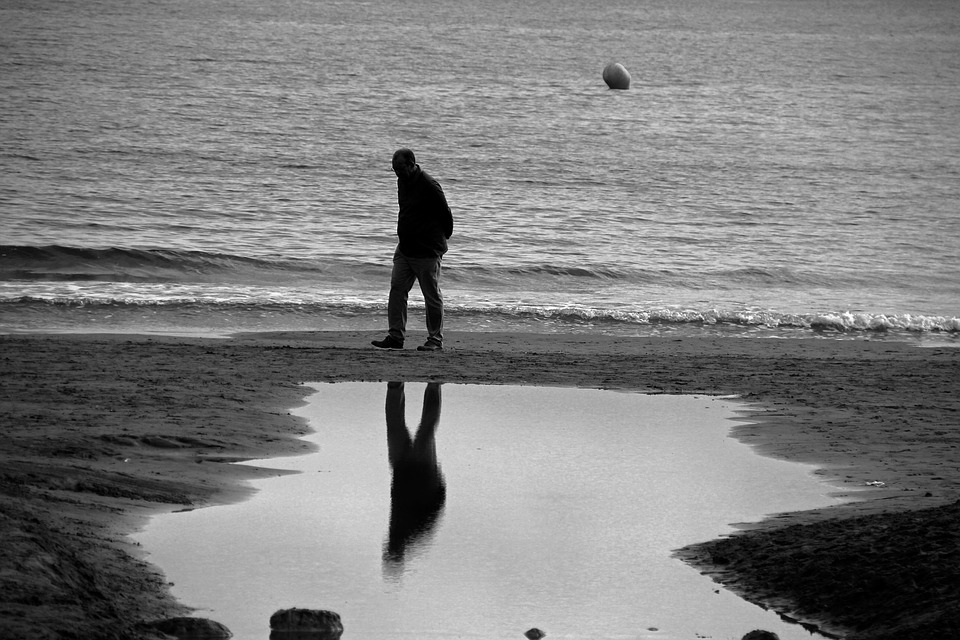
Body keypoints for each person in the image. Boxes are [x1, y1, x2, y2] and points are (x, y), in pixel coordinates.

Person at [372, 148, 453, 351]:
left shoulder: (429, 185)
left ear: (411, 164)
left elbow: (446, 215)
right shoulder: (403, 180)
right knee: (397, 290)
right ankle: (395, 336)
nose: (397, 173)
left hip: (427, 251)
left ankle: (435, 340)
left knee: (431, 295)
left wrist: (439, 243)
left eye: (400, 169)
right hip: (405, 249)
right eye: (394, 170)